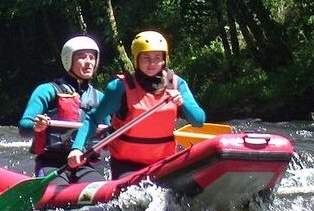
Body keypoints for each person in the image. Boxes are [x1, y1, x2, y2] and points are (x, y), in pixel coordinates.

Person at [67, 30, 206, 179]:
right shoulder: (119, 87)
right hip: (127, 164)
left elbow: (199, 121)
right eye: (146, 58)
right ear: (136, 59)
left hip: (164, 161)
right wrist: (77, 148)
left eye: (157, 58)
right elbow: (93, 119)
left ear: (164, 60)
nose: (152, 63)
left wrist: (182, 103)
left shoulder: (176, 84)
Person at [18, 35, 108, 183]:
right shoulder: (47, 91)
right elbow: (23, 127)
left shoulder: (100, 98)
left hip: (83, 164)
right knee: (58, 190)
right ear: (68, 60)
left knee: (104, 193)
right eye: (82, 57)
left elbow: (110, 135)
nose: (88, 62)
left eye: (92, 58)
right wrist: (36, 126)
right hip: (50, 164)